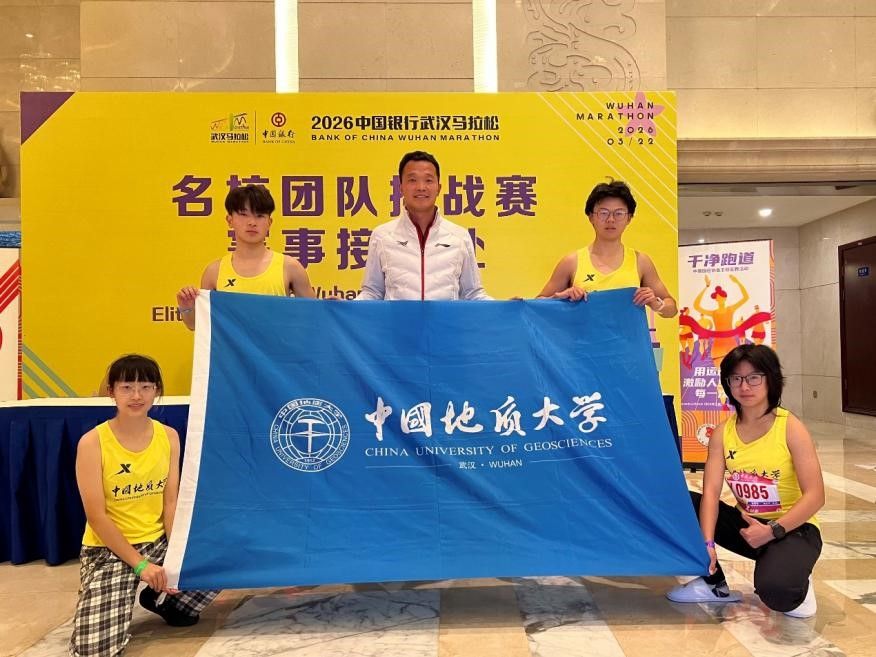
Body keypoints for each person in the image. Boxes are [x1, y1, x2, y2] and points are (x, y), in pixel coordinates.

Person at [71, 355, 219, 656]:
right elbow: (97, 517)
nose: (136, 395)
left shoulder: (169, 436)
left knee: (219, 553)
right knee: (93, 650)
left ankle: (167, 601)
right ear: (111, 391)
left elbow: (171, 501)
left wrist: (177, 556)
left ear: (156, 391)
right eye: (127, 387)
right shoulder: (92, 442)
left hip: (157, 540)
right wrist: (141, 566)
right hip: (110, 550)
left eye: (146, 387)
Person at [666, 345, 824, 618]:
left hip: (793, 528)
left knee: (778, 593)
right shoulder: (722, 433)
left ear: (770, 379)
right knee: (678, 503)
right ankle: (712, 584)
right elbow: (711, 493)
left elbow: (816, 495)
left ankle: (795, 575)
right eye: (736, 378)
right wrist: (706, 546)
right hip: (748, 527)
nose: (744, 386)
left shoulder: (790, 427)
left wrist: (772, 531)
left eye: (754, 377)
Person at [356, 150, 490, 300]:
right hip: (398, 317)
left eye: (428, 180)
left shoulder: (459, 237)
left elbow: (473, 294)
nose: (421, 187)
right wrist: (341, 306)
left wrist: (506, 308)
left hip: (445, 317)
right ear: (401, 187)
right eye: (412, 180)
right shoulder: (382, 236)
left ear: (439, 188)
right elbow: (372, 293)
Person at [177, 184, 315, 329]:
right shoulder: (214, 272)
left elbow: (314, 315)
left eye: (259, 216)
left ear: (269, 223)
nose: (252, 222)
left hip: (277, 344)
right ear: (230, 220)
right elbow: (198, 325)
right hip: (231, 346)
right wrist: (187, 308)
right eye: (243, 214)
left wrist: (330, 307)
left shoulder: (290, 267)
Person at [536, 180, 677, 319]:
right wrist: (560, 297)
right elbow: (537, 305)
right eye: (603, 213)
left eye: (619, 213)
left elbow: (671, 309)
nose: (611, 219)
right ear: (591, 217)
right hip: (583, 334)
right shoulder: (572, 262)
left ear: (629, 218)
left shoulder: (641, 261)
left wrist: (656, 304)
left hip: (628, 335)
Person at [693, 274, 749, 368]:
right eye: (717, 298)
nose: (719, 299)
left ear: (725, 298)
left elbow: (745, 297)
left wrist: (737, 282)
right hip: (718, 343)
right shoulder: (714, 313)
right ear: (715, 299)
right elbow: (696, 306)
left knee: (734, 369)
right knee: (719, 370)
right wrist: (706, 287)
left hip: (730, 342)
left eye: (721, 297)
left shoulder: (730, 309)